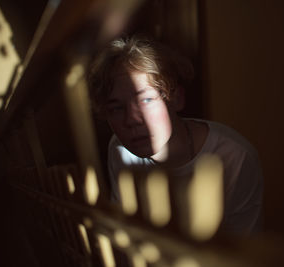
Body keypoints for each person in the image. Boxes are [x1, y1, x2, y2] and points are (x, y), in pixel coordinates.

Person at [88, 36, 263, 236]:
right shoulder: (120, 150)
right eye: (116, 108)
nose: (132, 120)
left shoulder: (234, 157)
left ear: (176, 98)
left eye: (146, 99)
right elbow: (127, 232)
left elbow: (241, 248)